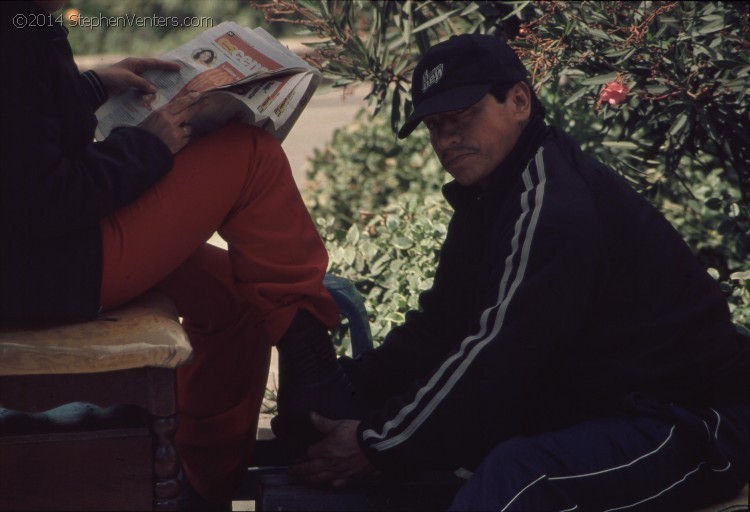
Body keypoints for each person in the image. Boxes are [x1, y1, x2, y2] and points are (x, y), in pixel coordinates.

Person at [287, 34, 750, 510]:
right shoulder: (493, 194)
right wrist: (354, 391)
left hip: (692, 424)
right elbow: (440, 329)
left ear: (519, 101)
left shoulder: (552, 205)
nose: (446, 137)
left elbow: (498, 356)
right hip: (606, 407)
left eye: (462, 115)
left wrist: (373, 443)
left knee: (517, 479)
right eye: (434, 124)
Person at [0, 1, 364, 509]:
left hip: (46, 258)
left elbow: (21, 133)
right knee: (250, 156)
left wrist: (93, 87)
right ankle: (316, 377)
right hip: (47, 270)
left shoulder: (25, 17)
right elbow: (42, 201)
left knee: (235, 299)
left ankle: (200, 487)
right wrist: (146, 145)